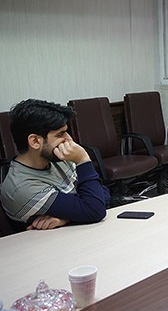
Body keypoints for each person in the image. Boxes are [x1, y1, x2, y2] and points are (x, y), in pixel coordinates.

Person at [0, 99, 108, 232]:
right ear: (35, 141)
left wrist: (67, 218)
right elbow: (95, 209)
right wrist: (83, 160)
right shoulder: (21, 188)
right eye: (60, 134)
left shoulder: (57, 158)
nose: (69, 139)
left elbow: (103, 194)